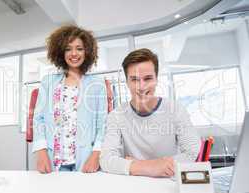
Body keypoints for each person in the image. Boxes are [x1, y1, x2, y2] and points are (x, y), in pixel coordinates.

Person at [100, 48, 200, 177]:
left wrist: (139, 165)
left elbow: (194, 153)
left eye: (147, 78)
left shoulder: (176, 110)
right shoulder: (116, 116)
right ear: (127, 82)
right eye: (135, 79)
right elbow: (106, 159)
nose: (141, 87)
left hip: (168, 185)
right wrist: (150, 167)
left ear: (156, 79)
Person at [33, 25, 107, 173]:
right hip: (53, 159)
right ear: (60, 52)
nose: (74, 53)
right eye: (68, 49)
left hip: (86, 160)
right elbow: (38, 118)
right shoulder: (47, 82)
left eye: (79, 48)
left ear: (87, 51)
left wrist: (96, 154)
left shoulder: (97, 84)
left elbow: (103, 123)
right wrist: (41, 152)